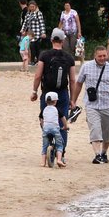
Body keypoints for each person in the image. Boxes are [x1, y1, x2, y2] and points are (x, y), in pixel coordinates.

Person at [72, 46, 109, 164]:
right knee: (95, 129)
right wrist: (73, 100)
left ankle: (104, 153)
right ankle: (97, 155)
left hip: (107, 104)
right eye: (100, 56)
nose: (102, 58)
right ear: (94, 56)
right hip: (91, 105)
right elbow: (78, 84)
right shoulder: (86, 67)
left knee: (107, 132)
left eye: (104, 56)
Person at [31, 28, 76, 162]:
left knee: (46, 120)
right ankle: (61, 153)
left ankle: (48, 144)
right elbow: (72, 80)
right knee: (63, 123)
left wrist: (34, 91)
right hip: (62, 93)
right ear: (62, 41)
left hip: (47, 93)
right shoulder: (69, 57)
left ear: (51, 40)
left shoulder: (44, 55)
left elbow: (38, 75)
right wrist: (72, 99)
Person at [39, 91, 67, 168]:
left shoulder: (44, 110)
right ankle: (59, 159)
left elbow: (41, 119)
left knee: (44, 146)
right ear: (55, 101)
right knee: (60, 145)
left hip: (46, 129)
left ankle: (43, 162)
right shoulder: (57, 109)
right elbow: (63, 118)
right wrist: (65, 126)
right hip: (55, 129)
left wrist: (43, 126)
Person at [20, 0, 46, 65]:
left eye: (33, 7)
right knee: (32, 47)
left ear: (35, 6)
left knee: (37, 48)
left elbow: (41, 23)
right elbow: (25, 23)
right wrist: (23, 30)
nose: (32, 8)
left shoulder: (39, 13)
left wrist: (43, 33)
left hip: (38, 34)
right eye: (30, 7)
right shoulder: (28, 14)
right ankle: (32, 61)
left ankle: (38, 61)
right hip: (30, 35)